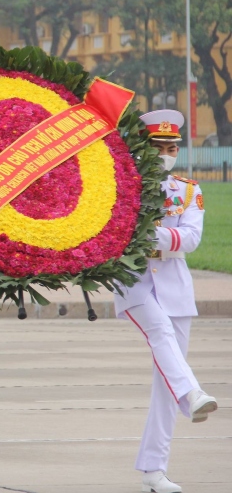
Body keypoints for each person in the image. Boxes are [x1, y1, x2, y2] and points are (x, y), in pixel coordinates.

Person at [114, 110, 218, 493]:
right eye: (158, 147)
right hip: (135, 283)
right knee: (159, 333)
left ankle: (153, 471)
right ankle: (192, 395)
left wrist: (148, 233)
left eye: (171, 147)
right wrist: (154, 236)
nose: (165, 153)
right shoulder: (124, 187)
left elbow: (190, 239)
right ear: (143, 148)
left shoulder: (188, 190)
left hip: (176, 288)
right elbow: (117, 236)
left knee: (164, 383)